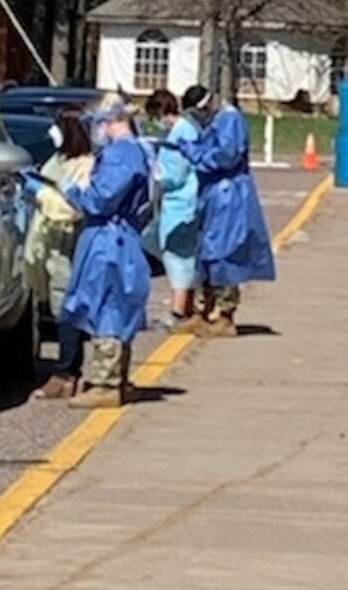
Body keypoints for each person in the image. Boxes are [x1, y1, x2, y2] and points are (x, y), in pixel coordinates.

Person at [23, 94, 152, 409]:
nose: (94, 130)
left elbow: (100, 198)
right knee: (114, 303)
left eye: (97, 123)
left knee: (106, 304)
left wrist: (72, 188)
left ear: (109, 121)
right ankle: (115, 379)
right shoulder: (136, 151)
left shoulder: (121, 154)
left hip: (109, 239)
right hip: (117, 236)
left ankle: (107, 383)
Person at [171, 85, 275, 337]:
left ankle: (225, 315)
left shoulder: (230, 119)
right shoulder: (216, 122)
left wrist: (193, 151)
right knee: (204, 254)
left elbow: (225, 156)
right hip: (213, 195)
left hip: (230, 196)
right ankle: (203, 311)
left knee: (225, 254)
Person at [21, 108, 94, 400]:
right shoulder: (60, 159)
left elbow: (72, 208)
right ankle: (67, 372)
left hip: (68, 246)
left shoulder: (84, 165)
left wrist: (40, 193)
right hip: (50, 245)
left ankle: (67, 372)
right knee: (57, 304)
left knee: (66, 309)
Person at [144, 88, 200, 329]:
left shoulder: (180, 134)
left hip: (182, 203)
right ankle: (187, 304)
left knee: (176, 255)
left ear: (163, 112)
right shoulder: (182, 130)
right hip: (176, 203)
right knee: (153, 241)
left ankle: (179, 312)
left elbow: (173, 173)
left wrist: (154, 172)